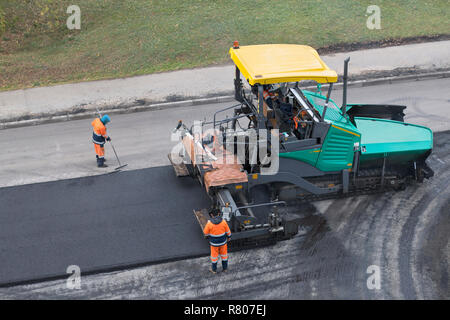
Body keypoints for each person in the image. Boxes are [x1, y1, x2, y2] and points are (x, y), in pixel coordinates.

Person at [203, 208, 232, 274]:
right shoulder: (223, 222)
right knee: (224, 256)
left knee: (214, 257)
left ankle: (214, 270)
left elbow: (205, 233)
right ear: (219, 214)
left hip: (214, 244)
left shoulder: (209, 223)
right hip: (223, 243)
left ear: (212, 215)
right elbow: (228, 231)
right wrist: (229, 237)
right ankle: (225, 269)